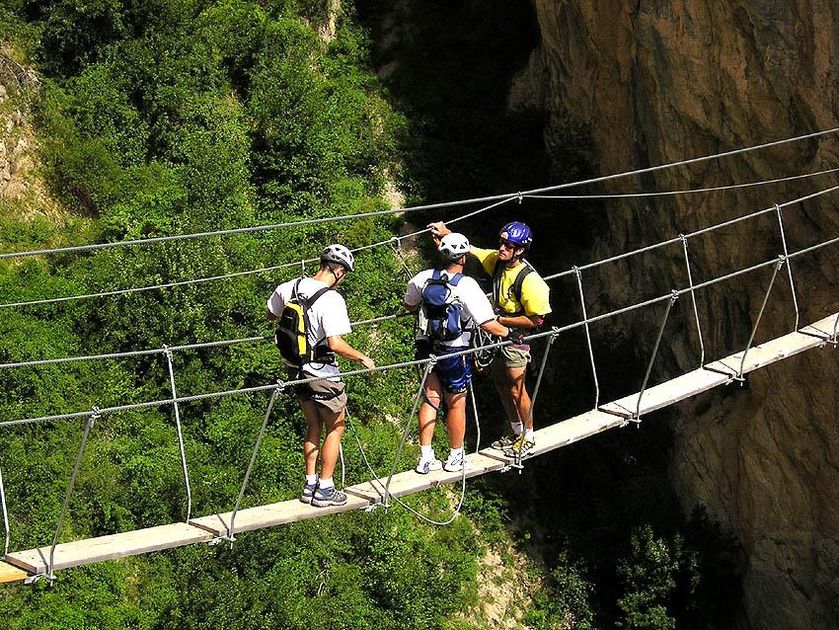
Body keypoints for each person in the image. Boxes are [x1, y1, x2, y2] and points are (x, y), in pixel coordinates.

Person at [427, 220, 551, 458]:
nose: (502, 248)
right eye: (502, 243)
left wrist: (501, 320)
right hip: (496, 332)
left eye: (508, 246)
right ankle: (516, 431)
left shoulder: (530, 281)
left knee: (517, 389)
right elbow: (470, 250)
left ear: (520, 250)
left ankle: (528, 436)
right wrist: (446, 234)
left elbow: (537, 320)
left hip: (516, 336)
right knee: (502, 385)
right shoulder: (497, 261)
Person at [267, 244, 375, 507]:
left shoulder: (289, 287)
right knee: (335, 427)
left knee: (313, 425)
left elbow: (271, 313)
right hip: (322, 372)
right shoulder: (332, 299)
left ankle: (309, 485)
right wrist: (362, 357)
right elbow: (336, 344)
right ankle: (325, 488)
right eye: (344, 274)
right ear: (338, 270)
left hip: (295, 370)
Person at [403, 232, 513, 474]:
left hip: (426, 347)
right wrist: (510, 334)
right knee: (456, 403)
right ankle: (455, 457)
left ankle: (425, 457)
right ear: (463, 258)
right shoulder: (467, 285)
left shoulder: (422, 278)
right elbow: (487, 323)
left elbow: (409, 304)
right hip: (454, 350)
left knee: (431, 399)